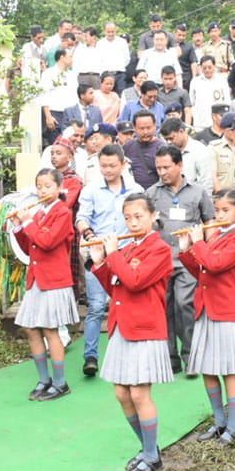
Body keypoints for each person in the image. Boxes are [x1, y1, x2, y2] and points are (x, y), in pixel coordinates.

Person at [89, 194, 175, 471]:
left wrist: (113, 254)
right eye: (128, 218)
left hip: (145, 328)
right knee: (121, 393)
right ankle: (147, 448)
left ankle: (152, 457)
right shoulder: (126, 250)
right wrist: (101, 263)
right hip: (122, 326)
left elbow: (135, 282)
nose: (133, 222)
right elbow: (117, 288)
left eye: (138, 216)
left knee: (139, 393)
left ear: (152, 216)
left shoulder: (160, 250)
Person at [179, 190, 235, 444]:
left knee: (228, 371)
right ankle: (219, 422)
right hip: (205, 308)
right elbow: (201, 270)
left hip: (224, 310)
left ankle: (234, 425)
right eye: (217, 210)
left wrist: (199, 242)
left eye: (226, 210)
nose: (219, 215)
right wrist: (187, 250)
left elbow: (215, 264)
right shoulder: (215, 237)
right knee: (208, 369)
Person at [9, 169, 78, 401]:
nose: (42, 191)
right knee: (30, 328)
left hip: (55, 279)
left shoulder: (62, 212)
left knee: (50, 330)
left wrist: (28, 222)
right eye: (39, 186)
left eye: (48, 186)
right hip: (37, 278)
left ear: (58, 188)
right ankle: (43, 380)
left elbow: (46, 242)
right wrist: (19, 225)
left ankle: (60, 383)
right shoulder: (38, 214)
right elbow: (30, 246)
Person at [76, 143, 143, 376]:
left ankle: (128, 353)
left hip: (127, 254)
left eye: (112, 165)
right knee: (95, 307)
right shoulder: (91, 189)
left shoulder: (135, 190)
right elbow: (81, 218)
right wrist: (90, 235)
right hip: (98, 253)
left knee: (127, 304)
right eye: (103, 166)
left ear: (123, 164)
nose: (107, 170)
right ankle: (91, 357)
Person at [147, 145, 214, 375]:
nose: (162, 172)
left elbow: (210, 222)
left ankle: (191, 358)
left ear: (179, 165)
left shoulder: (197, 192)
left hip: (188, 260)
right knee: (163, 307)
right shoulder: (152, 193)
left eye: (166, 167)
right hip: (161, 262)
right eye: (158, 168)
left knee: (185, 304)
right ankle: (170, 359)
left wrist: (207, 252)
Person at [39, 49, 77, 148]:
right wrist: (48, 116)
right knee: (56, 145)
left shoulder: (72, 75)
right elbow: (44, 95)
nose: (72, 59)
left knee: (70, 144)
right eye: (70, 57)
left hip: (70, 114)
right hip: (55, 113)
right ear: (62, 57)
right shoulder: (49, 73)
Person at [161, 117, 212, 189]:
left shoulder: (199, 150)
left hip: (193, 197)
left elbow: (206, 182)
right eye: (166, 139)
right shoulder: (166, 151)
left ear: (181, 131)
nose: (168, 142)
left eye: (171, 138)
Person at [123, 111, 166, 189]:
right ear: (134, 128)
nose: (145, 132)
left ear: (155, 127)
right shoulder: (127, 147)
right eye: (141, 128)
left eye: (148, 128)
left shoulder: (163, 147)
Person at [210, 112, 235, 193]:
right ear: (224, 129)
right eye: (232, 130)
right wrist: (221, 195)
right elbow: (212, 175)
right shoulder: (214, 148)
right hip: (222, 196)